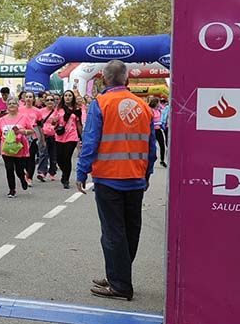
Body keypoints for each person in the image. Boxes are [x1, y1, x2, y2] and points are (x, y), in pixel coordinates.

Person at [76, 61, 156, 301]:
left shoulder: (101, 103)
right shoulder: (144, 106)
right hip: (135, 177)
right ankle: (118, 274)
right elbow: (151, 147)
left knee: (112, 231)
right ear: (127, 80)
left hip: (109, 177)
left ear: (103, 79)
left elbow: (90, 141)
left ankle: (120, 284)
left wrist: (81, 172)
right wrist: (147, 173)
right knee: (131, 229)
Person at [0, 96, 33, 197]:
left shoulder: (23, 118)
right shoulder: (2, 119)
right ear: (7, 106)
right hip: (6, 149)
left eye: (14, 103)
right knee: (9, 169)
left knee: (19, 170)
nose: (12, 105)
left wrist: (23, 131)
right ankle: (12, 190)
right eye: (9, 104)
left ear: (18, 105)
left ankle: (22, 178)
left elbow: (31, 130)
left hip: (18, 148)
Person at [54, 89, 85, 189]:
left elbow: (79, 124)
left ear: (73, 98)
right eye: (66, 95)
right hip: (60, 136)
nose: (67, 97)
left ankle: (66, 179)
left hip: (72, 136)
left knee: (67, 157)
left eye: (69, 95)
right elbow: (53, 122)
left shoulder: (77, 110)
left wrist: (82, 137)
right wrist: (54, 121)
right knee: (59, 158)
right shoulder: (59, 109)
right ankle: (64, 171)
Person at [36, 93, 60, 182]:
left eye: (51, 100)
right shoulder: (40, 111)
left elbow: (60, 124)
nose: (50, 101)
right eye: (47, 100)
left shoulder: (57, 112)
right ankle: (42, 172)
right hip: (43, 135)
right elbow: (37, 124)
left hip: (54, 135)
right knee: (43, 154)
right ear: (45, 102)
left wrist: (55, 123)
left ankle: (52, 172)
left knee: (53, 155)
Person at [149, 97, 167, 168]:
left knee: (162, 145)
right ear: (155, 103)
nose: (159, 104)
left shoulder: (159, 110)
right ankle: (150, 159)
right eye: (158, 103)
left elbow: (164, 110)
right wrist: (157, 123)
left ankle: (162, 160)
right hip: (152, 130)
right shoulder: (151, 110)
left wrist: (162, 125)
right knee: (152, 146)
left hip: (159, 130)